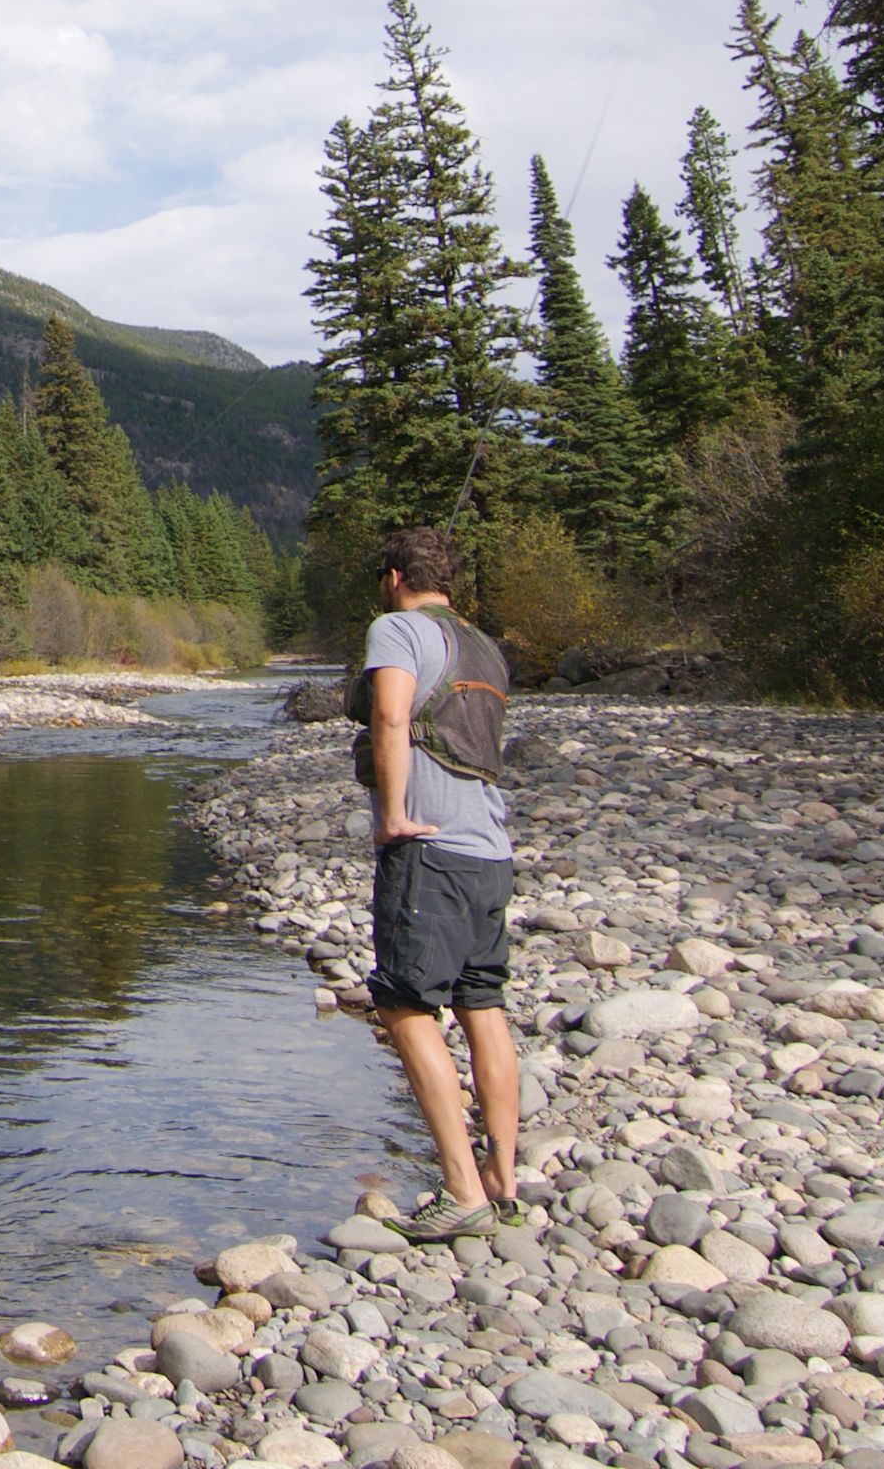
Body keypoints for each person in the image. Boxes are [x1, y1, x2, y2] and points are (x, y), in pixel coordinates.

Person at [355, 526, 518, 1238]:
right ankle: (502, 1182)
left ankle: (461, 1192)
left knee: (405, 1005)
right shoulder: (486, 646)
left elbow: (391, 715)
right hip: (491, 850)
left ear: (394, 577)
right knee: (483, 1002)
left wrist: (392, 815)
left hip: (432, 849)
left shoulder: (396, 629)